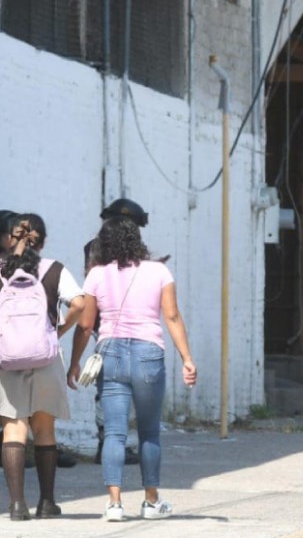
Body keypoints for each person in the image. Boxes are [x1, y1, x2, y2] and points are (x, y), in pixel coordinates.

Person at [68, 216, 197, 522]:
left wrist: (74, 362)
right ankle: (151, 502)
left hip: (109, 353)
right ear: (137, 239)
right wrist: (187, 359)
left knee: (114, 433)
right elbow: (173, 317)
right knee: (149, 432)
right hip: (148, 354)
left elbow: (86, 325)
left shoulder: (96, 274)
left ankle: (113, 505)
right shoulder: (159, 271)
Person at [0, 214, 84, 520]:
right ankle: (47, 503)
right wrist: (58, 329)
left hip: (7, 360)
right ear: (43, 241)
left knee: (14, 426)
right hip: (46, 358)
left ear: (11, 239)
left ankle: (17, 505)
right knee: (44, 428)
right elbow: (80, 303)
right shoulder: (55, 269)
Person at [83, 198, 153, 467]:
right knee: (115, 389)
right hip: (117, 325)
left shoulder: (97, 247)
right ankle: (109, 443)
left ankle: (111, 442)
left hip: (109, 325)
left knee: (112, 389)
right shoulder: (106, 249)